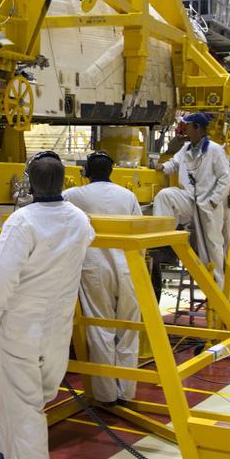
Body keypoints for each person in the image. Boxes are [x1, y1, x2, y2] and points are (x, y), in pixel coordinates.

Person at [0, 151, 96, 459]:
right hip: (56, 325)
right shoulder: (80, 219)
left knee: (23, 402)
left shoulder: (22, 222)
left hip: (19, 325)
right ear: (65, 182)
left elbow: (3, 278)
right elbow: (83, 245)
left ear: (30, 183)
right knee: (33, 396)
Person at [64, 151, 143, 405]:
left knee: (100, 329)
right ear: (112, 171)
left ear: (86, 171)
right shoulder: (128, 195)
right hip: (128, 265)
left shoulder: (73, 195)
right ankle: (127, 391)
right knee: (129, 330)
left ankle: (106, 395)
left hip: (94, 267)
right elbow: (140, 231)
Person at [151, 113, 230, 284]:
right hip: (189, 199)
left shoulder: (215, 150)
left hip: (208, 204)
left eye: (187, 126)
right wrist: (161, 166)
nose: (184, 129)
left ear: (197, 128)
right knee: (166, 196)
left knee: (211, 246)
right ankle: (164, 241)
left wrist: (212, 201)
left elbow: (225, 179)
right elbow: (174, 163)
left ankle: (217, 286)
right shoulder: (186, 148)